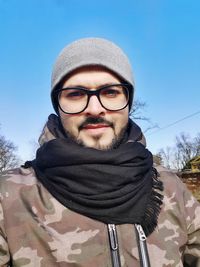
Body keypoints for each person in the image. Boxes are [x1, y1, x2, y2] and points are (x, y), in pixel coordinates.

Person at [0, 37, 199, 267]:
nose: (95, 109)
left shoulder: (171, 188)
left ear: (128, 102)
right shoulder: (9, 196)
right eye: (75, 94)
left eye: (111, 92)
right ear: (58, 105)